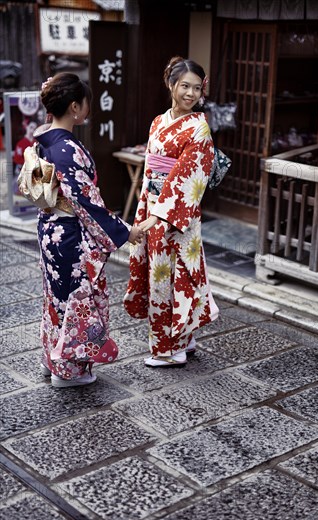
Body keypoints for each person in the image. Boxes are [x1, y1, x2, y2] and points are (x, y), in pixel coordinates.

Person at [36, 72, 143, 388]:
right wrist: (124, 231)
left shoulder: (45, 139)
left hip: (49, 229)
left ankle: (53, 359)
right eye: (85, 103)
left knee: (57, 298)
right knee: (76, 300)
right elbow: (86, 201)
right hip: (69, 233)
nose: (87, 108)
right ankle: (69, 370)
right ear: (74, 107)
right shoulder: (66, 149)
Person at [124, 57, 219, 367]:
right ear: (171, 85)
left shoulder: (199, 127)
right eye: (184, 86)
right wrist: (144, 210)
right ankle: (186, 338)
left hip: (178, 215)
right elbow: (152, 173)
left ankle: (170, 349)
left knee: (173, 277)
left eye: (196, 88)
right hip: (154, 205)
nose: (190, 94)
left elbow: (189, 175)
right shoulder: (157, 122)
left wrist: (158, 216)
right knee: (160, 274)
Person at [13, 119, 37, 193]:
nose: (32, 130)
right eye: (31, 127)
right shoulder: (21, 143)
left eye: (34, 128)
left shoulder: (37, 142)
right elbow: (17, 159)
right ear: (26, 127)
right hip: (22, 172)